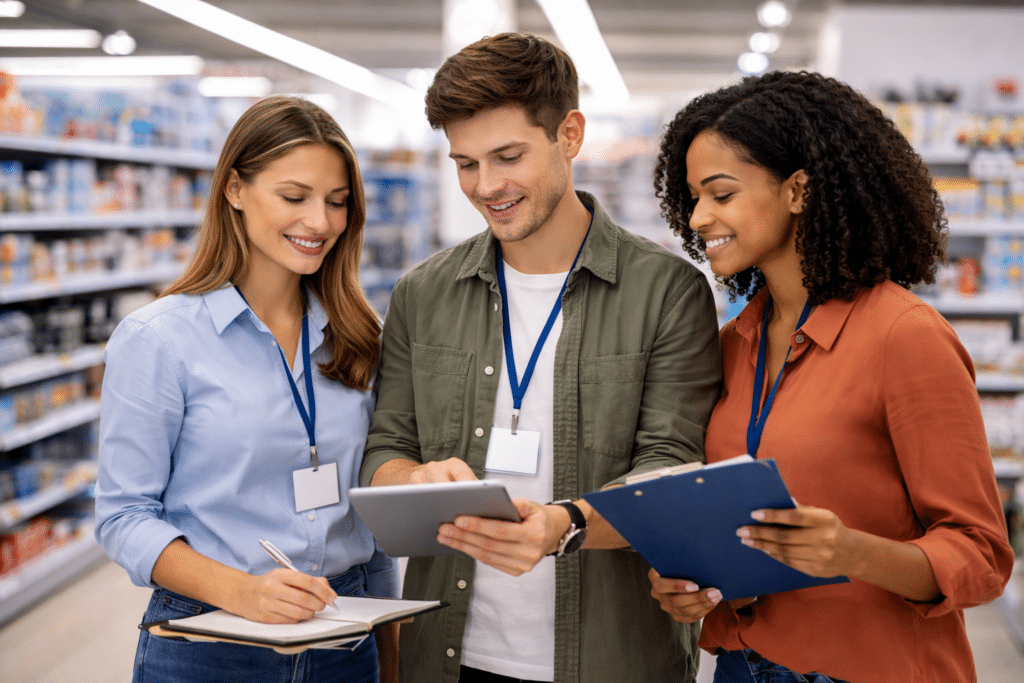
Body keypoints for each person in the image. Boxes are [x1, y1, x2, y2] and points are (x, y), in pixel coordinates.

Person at [359, 32, 723, 683]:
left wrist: (563, 525)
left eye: (507, 156)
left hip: (614, 656)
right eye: (465, 163)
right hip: (449, 653)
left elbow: (670, 466)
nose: (486, 185)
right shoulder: (423, 292)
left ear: (570, 134)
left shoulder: (667, 291)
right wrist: (412, 481)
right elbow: (386, 446)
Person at [648, 70, 1015, 683]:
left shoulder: (905, 337)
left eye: (721, 193)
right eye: (692, 198)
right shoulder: (733, 343)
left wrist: (851, 553)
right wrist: (693, 583)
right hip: (743, 666)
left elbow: (981, 556)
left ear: (799, 190)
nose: (698, 217)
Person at [95, 95, 400, 683]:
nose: (319, 222)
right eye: (294, 197)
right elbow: (124, 516)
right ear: (235, 188)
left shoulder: (359, 337)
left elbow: (371, 521)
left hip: (344, 634)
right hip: (208, 641)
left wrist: (388, 652)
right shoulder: (159, 340)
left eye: (337, 203)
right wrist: (244, 592)